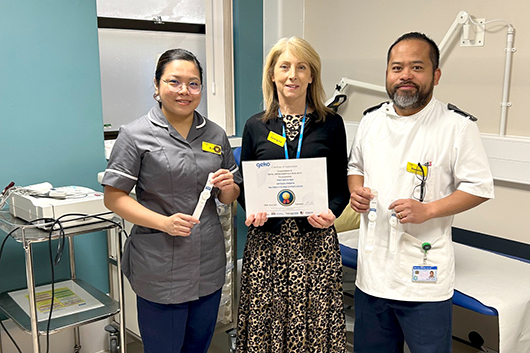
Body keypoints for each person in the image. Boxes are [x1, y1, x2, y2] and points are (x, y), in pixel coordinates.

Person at [348, 32, 494, 353]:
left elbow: (479, 187)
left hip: (423, 284)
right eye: (397, 68)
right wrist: (356, 191)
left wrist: (427, 211)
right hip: (371, 278)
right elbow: (354, 166)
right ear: (387, 73)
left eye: (417, 68)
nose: (405, 76)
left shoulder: (456, 126)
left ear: (435, 75)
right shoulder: (371, 121)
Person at [102, 48, 241, 353]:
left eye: (193, 84)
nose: (184, 91)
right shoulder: (135, 134)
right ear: (157, 85)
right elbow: (113, 197)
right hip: (160, 266)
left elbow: (229, 197)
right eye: (174, 82)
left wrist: (229, 186)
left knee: (198, 347)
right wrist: (163, 222)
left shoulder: (215, 135)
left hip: (207, 263)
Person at [236, 37, 349, 353]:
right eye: (284, 66)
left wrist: (332, 211)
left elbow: (340, 185)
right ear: (272, 74)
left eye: (302, 67)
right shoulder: (255, 126)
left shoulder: (331, 124)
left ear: (312, 75)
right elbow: (246, 183)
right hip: (267, 242)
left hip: (315, 240)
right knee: (265, 323)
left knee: (312, 323)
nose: (292, 75)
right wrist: (253, 208)